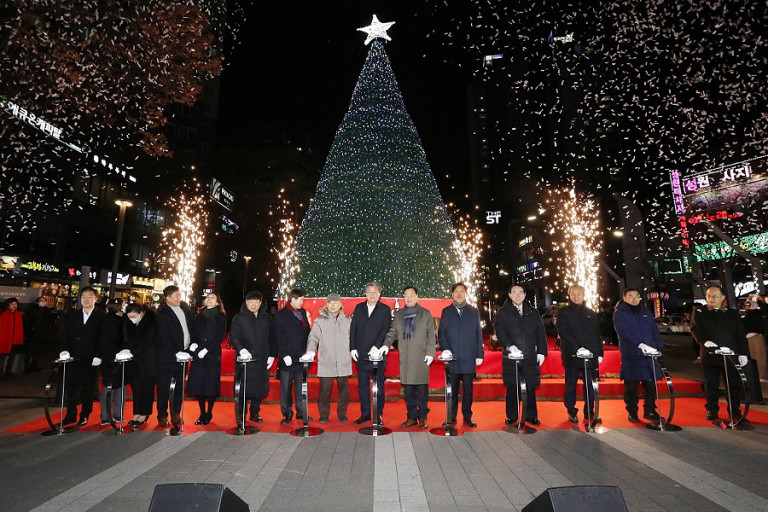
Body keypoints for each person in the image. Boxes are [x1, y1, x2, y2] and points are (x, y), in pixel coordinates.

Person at [690, 285, 750, 421]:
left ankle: (735, 412)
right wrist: (704, 342)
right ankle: (712, 410)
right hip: (710, 355)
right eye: (709, 296)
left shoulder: (732, 313)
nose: (711, 299)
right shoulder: (700, 312)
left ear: (723, 297)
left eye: (715, 296)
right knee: (711, 384)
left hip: (730, 355)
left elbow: (740, 335)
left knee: (733, 385)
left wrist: (743, 354)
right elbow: (695, 329)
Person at [494, 284, 547, 426]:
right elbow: (501, 332)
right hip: (512, 355)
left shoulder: (533, 312)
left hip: (529, 354)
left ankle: (531, 415)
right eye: (514, 293)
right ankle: (512, 415)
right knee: (513, 386)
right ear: (510, 295)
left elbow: (540, 333)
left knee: (530, 385)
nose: (517, 295)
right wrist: (510, 346)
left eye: (520, 293)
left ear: (524, 295)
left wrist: (542, 351)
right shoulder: (503, 312)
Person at [383, 286, 436, 430]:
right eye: (406, 296)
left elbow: (431, 336)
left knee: (421, 391)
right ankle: (412, 417)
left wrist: (431, 353)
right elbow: (392, 333)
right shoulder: (399, 315)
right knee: (408, 392)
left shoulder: (425, 314)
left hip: (421, 357)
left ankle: (423, 417)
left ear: (417, 296)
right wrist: (385, 345)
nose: (409, 298)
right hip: (405, 358)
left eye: (411, 295)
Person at [57, 287, 108, 427]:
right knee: (71, 388)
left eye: (90, 297)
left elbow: (104, 339)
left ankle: (85, 415)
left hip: (92, 359)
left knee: (89, 389)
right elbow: (65, 335)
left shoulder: (102, 316)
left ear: (96, 299)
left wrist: (99, 355)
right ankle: (70, 415)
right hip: (74, 357)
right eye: (83, 297)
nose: (86, 300)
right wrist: (64, 351)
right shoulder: (73, 315)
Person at [613, 288, 664, 422]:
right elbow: (624, 333)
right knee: (632, 385)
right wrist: (639, 344)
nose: (634, 298)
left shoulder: (645, 311)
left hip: (649, 354)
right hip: (632, 354)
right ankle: (632, 411)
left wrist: (658, 346)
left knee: (651, 384)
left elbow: (654, 330)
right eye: (630, 296)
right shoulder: (620, 313)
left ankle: (650, 410)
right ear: (624, 298)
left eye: (637, 296)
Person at [437, 282, 483, 427]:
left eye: (461, 291)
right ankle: (451, 417)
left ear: (466, 293)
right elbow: (442, 333)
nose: (458, 294)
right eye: (456, 291)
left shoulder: (474, 311)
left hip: (469, 357)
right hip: (452, 357)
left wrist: (479, 354)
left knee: (468, 390)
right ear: (452, 294)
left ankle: (467, 416)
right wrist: (445, 349)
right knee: (452, 389)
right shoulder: (446, 311)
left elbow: (478, 334)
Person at [556, 285, 604, 424]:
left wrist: (599, 352)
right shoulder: (563, 312)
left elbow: (597, 334)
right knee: (571, 384)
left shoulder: (590, 313)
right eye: (573, 294)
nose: (576, 296)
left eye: (579, 294)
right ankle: (571, 411)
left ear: (584, 295)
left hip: (590, 355)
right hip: (572, 355)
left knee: (590, 385)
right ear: (569, 295)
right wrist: (577, 348)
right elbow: (564, 332)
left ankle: (589, 411)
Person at [303, 293, 352, 423]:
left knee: (344, 390)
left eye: (335, 302)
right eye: (330, 303)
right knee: (324, 390)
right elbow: (313, 338)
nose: (333, 305)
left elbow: (354, 338)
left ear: (340, 304)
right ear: (327, 304)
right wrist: (310, 352)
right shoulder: (319, 321)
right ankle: (324, 414)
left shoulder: (348, 321)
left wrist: (354, 350)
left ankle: (342, 413)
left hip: (343, 360)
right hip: (326, 360)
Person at [230, 291, 276, 426]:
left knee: (258, 389)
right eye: (251, 301)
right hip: (245, 361)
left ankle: (255, 413)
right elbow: (234, 336)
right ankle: (241, 416)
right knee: (243, 389)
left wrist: (272, 355)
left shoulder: (266, 318)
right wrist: (241, 349)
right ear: (246, 302)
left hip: (261, 359)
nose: (253, 304)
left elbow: (272, 338)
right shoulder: (238, 318)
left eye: (256, 301)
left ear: (261, 303)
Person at [350, 281, 392, 425]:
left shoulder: (385, 310)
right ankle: (365, 413)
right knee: (362, 385)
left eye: (375, 292)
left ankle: (378, 413)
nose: (372, 294)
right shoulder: (359, 307)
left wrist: (377, 346)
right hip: (360, 353)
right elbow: (353, 329)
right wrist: (352, 348)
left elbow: (385, 330)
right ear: (365, 293)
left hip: (377, 354)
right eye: (369, 292)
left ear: (379, 293)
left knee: (378, 385)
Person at [155, 285, 195, 428]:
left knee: (179, 386)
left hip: (184, 355)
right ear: (167, 298)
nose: (179, 298)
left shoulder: (184, 308)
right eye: (176, 296)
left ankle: (176, 413)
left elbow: (190, 328)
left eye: (179, 295)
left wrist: (192, 345)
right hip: (167, 356)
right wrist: (174, 352)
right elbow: (163, 337)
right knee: (163, 387)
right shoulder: (161, 313)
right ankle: (162, 415)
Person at [186, 293, 227, 425]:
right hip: (199, 353)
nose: (209, 299)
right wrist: (194, 343)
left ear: (217, 302)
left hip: (212, 353)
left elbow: (220, 335)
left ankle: (209, 412)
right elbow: (193, 331)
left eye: (213, 298)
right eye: (207, 297)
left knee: (210, 385)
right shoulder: (199, 315)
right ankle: (202, 412)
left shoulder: (221, 316)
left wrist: (207, 348)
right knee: (199, 384)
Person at [273, 288, 312, 424]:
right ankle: (287, 413)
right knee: (286, 387)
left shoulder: (303, 313)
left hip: (300, 357)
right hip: (287, 357)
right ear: (293, 299)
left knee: (301, 386)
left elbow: (307, 333)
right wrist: (284, 354)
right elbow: (278, 337)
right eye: (301, 299)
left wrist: (309, 351)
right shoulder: (281, 315)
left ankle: (301, 412)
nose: (303, 302)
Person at [124, 303, 156, 428]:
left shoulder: (151, 322)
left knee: (147, 388)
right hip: (134, 361)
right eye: (129, 316)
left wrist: (133, 352)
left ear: (141, 313)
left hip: (147, 361)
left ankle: (144, 413)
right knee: (136, 389)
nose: (132, 319)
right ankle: (137, 412)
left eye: (134, 316)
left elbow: (148, 341)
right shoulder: (128, 323)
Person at [99, 298, 126, 425]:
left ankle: (113, 414)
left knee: (117, 386)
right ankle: (109, 415)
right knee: (111, 386)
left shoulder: (123, 319)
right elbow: (106, 340)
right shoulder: (108, 320)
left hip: (116, 357)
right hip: (112, 357)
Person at [24, 295, 55, 373]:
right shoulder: (32, 310)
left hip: (43, 334)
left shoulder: (48, 311)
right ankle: (27, 368)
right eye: (41, 300)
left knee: (38, 352)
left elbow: (51, 321)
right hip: (33, 334)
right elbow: (27, 321)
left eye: (44, 300)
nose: (42, 302)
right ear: (38, 302)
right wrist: (31, 328)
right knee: (30, 351)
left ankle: (34, 366)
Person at [742, 296, 768, 382]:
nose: (747, 307)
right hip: (750, 338)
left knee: (760, 357)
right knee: (755, 357)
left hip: (756, 337)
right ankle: (759, 376)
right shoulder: (749, 315)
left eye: (749, 305)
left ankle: (762, 375)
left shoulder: (757, 313)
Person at [0, 297, 24, 377]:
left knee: (12, 356)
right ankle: (0, 373)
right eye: (12, 304)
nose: (14, 305)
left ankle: (8, 371)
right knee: (2, 356)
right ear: (8, 305)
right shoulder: (3, 314)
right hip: (5, 339)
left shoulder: (18, 314)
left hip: (14, 340)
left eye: (15, 304)